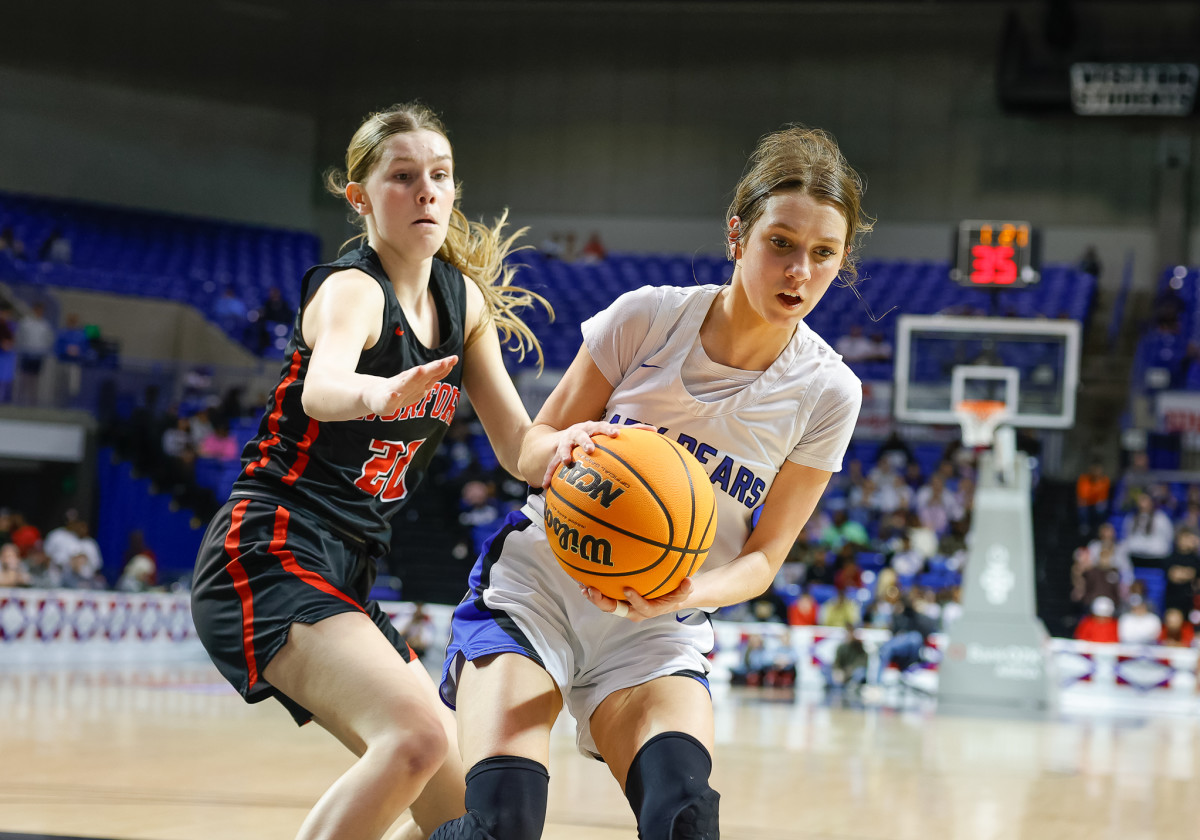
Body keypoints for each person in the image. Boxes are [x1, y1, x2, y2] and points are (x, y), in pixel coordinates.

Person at [432, 124, 868, 840]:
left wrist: (685, 591)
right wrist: (555, 448)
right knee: (499, 828)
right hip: (539, 591)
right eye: (781, 244)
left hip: (655, 624)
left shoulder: (828, 394)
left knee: (686, 820)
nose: (799, 272)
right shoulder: (648, 318)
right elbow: (531, 444)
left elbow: (763, 559)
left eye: (824, 254)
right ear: (738, 234)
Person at [189, 102, 596, 840]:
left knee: (459, 816)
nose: (427, 192)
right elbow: (323, 388)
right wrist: (381, 392)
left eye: (439, 176)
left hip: (346, 569)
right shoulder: (352, 290)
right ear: (360, 197)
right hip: (268, 548)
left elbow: (516, 447)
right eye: (403, 177)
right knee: (416, 739)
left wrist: (576, 451)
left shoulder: (461, 300)